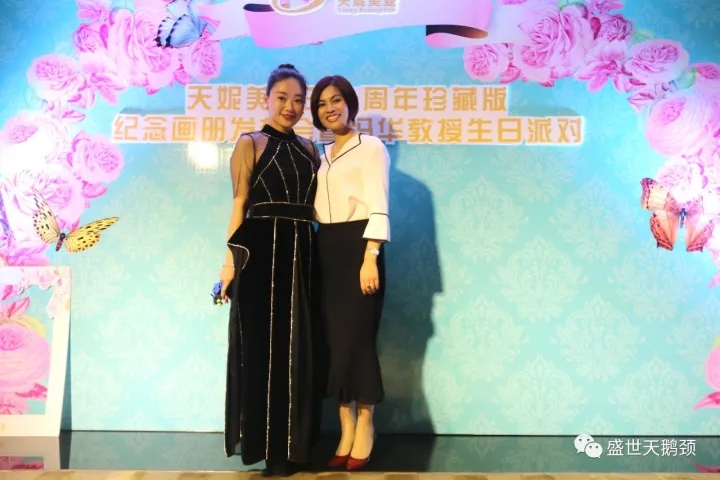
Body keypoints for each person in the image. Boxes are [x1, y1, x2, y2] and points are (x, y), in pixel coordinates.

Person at [219, 64, 327, 477]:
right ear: (266, 99)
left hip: (303, 254)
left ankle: (298, 445)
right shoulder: (250, 143)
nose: (291, 106)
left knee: (300, 347)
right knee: (263, 350)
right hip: (260, 256)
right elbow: (239, 205)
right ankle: (270, 450)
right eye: (282, 97)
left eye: (298, 100)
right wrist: (229, 264)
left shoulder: (309, 150)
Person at [309, 75, 391, 471]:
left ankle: (366, 425)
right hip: (325, 248)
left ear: (349, 104)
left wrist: (371, 255)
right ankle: (344, 428)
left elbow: (378, 203)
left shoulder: (371, 147)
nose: (330, 108)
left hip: (360, 248)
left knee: (358, 340)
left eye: (336, 100)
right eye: (322, 103)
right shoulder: (320, 155)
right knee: (333, 343)